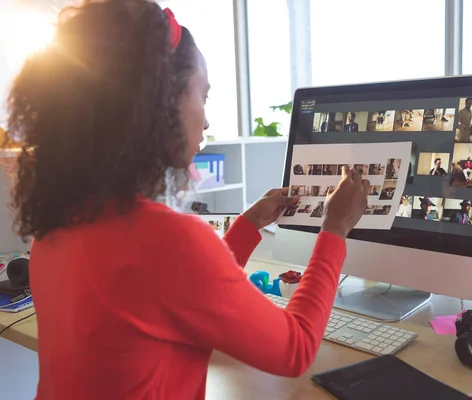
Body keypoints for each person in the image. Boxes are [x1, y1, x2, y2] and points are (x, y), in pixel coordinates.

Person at [3, 2, 371, 399]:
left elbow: (176, 289)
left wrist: (246, 227)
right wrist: (335, 227)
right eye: (204, 96)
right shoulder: (167, 239)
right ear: (160, 106)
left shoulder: (57, 228)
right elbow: (295, 349)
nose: (207, 119)